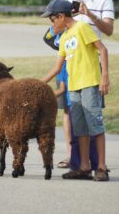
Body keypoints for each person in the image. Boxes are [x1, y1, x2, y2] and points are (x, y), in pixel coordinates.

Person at [42, 0, 110, 181]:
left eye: (52, 20)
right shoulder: (63, 38)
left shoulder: (82, 28)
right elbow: (57, 68)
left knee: (95, 125)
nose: (51, 24)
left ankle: (101, 167)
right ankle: (84, 167)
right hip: (74, 88)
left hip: (89, 84)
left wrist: (105, 77)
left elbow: (102, 50)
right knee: (80, 129)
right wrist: (39, 84)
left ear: (62, 16)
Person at [43, 27, 71, 168]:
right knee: (67, 112)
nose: (52, 23)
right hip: (63, 73)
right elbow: (46, 37)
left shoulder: (77, 29)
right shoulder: (59, 32)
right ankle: (71, 153)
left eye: (54, 19)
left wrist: (39, 89)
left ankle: (85, 156)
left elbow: (62, 88)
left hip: (77, 73)